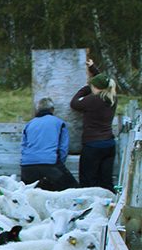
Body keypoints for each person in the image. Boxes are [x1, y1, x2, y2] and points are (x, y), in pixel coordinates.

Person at [70, 60, 118, 191]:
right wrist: (93, 68)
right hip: (109, 144)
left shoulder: (92, 100)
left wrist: (85, 88)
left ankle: (90, 207)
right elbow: (103, 80)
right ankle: (111, 207)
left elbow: (74, 103)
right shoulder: (112, 97)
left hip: (93, 145)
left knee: (88, 182)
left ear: (95, 87)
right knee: (106, 181)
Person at [19, 97, 78, 191]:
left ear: (37, 109)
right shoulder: (59, 123)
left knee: (30, 194)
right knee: (73, 190)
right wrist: (59, 164)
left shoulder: (29, 124)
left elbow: (23, 146)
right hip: (50, 163)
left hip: (27, 165)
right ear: (52, 110)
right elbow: (63, 148)